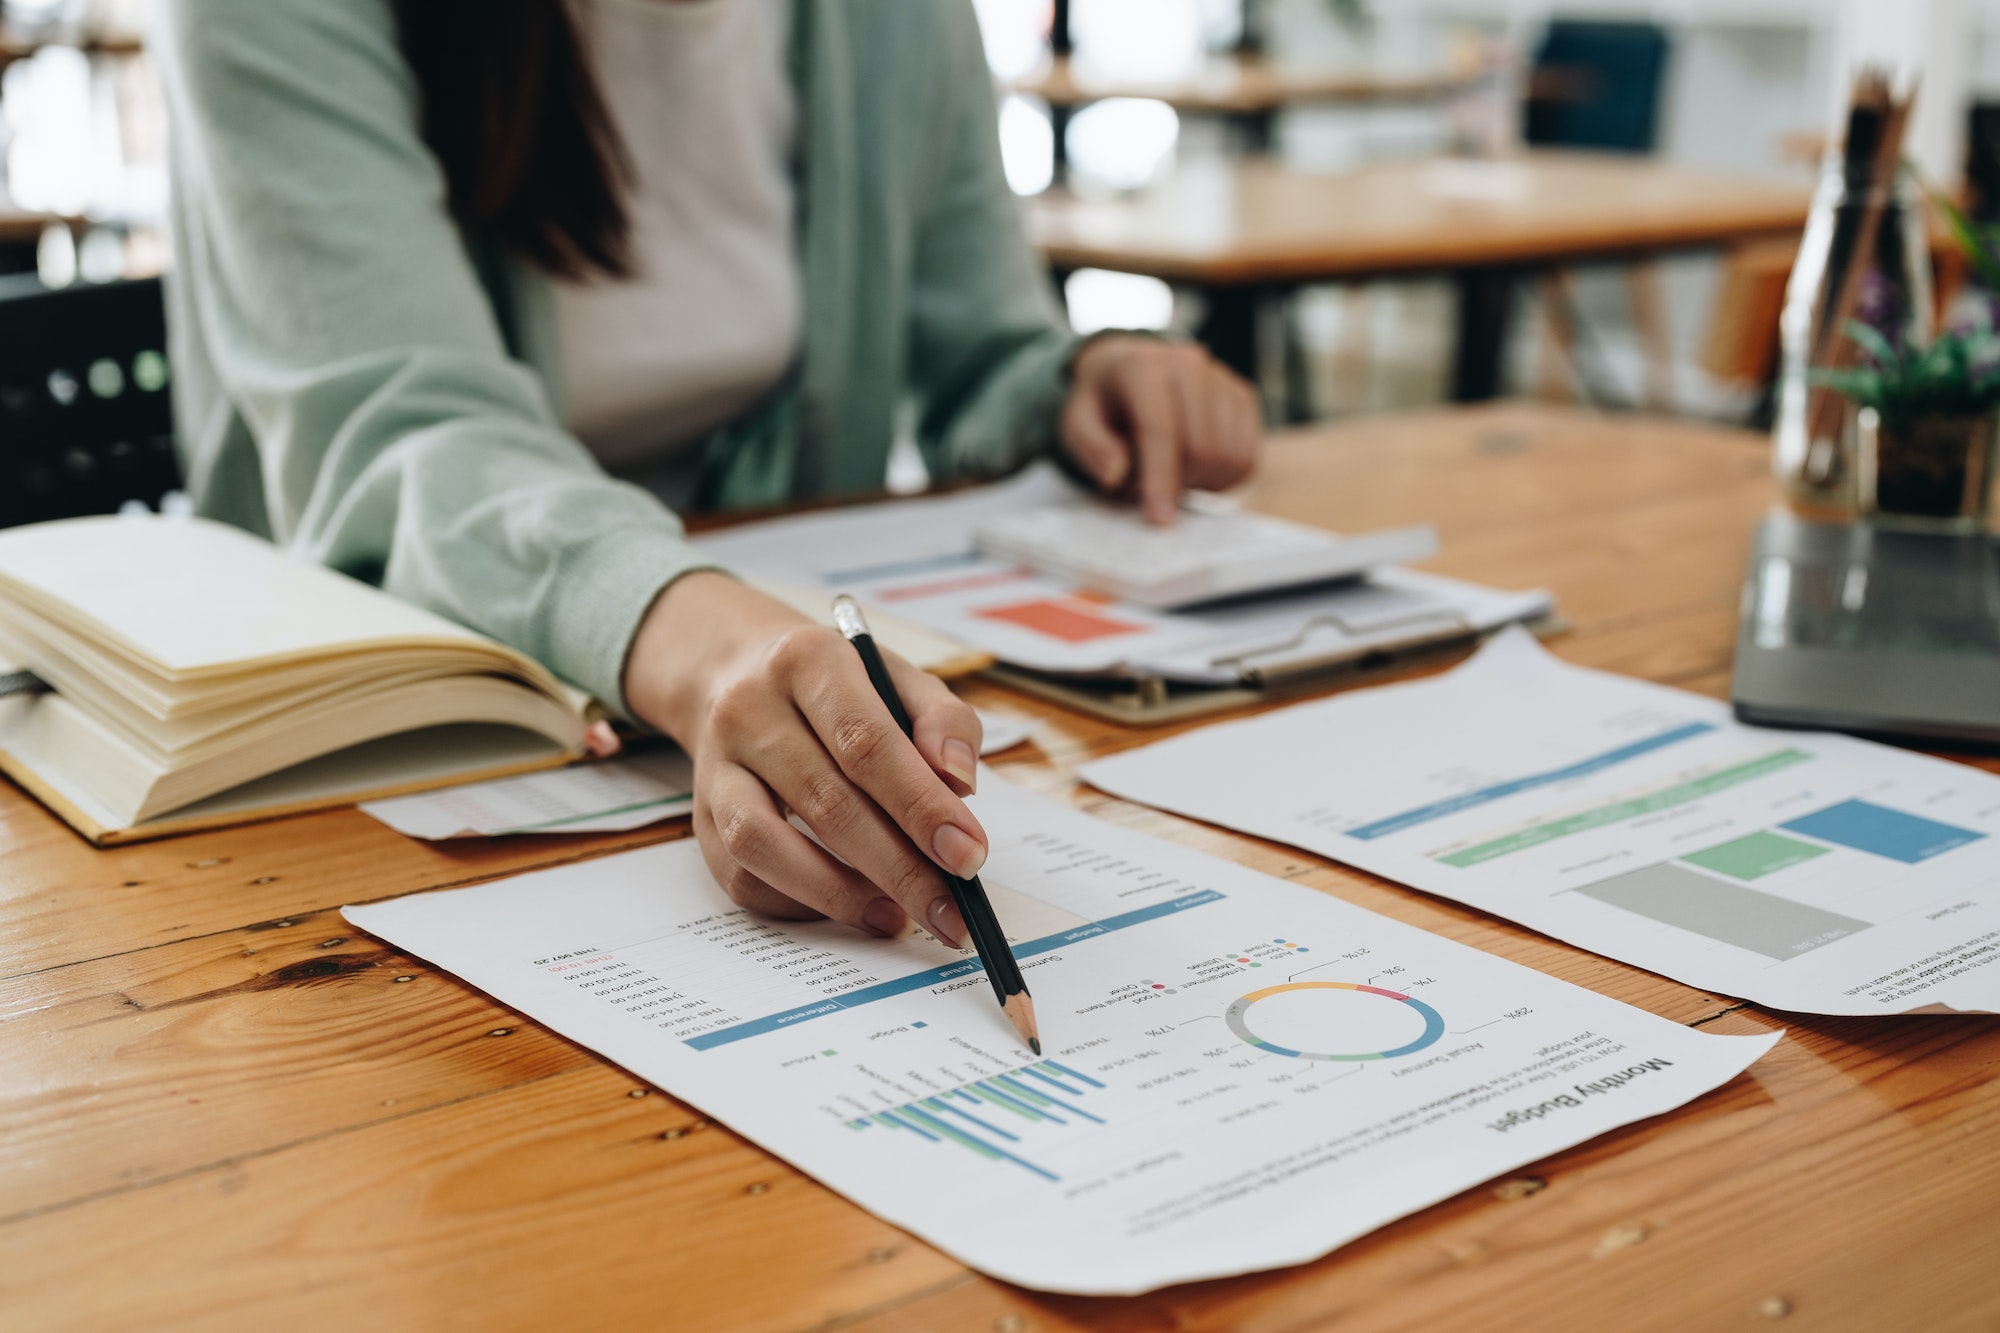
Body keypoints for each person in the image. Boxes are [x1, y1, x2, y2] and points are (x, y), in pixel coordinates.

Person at [154, 0, 1261, 949]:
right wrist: (703, 643)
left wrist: (1075, 385)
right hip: (347, 783)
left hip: (749, 681)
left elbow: (976, 348)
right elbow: (399, 429)